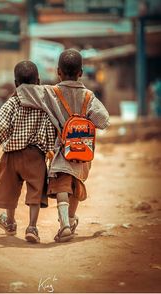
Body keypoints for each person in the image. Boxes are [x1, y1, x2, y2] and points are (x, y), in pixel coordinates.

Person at [17, 49, 110, 242]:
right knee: (75, 186)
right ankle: (71, 220)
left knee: (62, 188)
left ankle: (65, 225)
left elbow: (27, 92)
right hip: (84, 153)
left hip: (62, 151)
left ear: (58, 72)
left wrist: (22, 85)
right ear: (81, 72)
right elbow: (103, 120)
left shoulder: (51, 93)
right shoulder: (89, 96)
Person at [0, 61, 56, 243]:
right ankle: (32, 227)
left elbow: (1, 125)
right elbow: (51, 127)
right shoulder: (45, 103)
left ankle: (10, 222)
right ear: (38, 81)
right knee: (35, 192)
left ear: (16, 83)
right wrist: (50, 150)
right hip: (35, 156)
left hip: (11, 156)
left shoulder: (13, 101)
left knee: (9, 189)